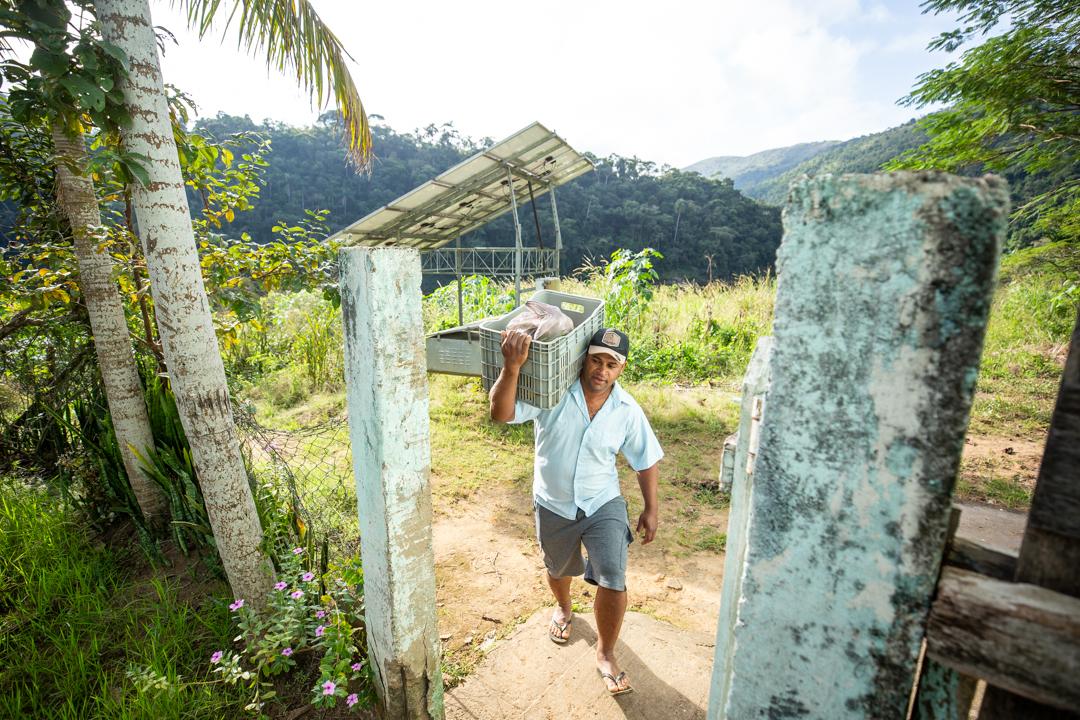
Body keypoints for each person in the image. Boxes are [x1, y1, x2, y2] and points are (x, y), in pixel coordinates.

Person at [489, 326, 663, 696]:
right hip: (553, 501)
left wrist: (651, 508)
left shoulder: (627, 411)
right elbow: (501, 413)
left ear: (621, 369)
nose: (602, 370)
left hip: (603, 502)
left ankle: (605, 652)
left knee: (613, 575)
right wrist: (512, 366)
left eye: (611, 364)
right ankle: (565, 608)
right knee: (557, 568)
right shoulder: (551, 393)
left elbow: (646, 460)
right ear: (584, 359)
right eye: (597, 360)